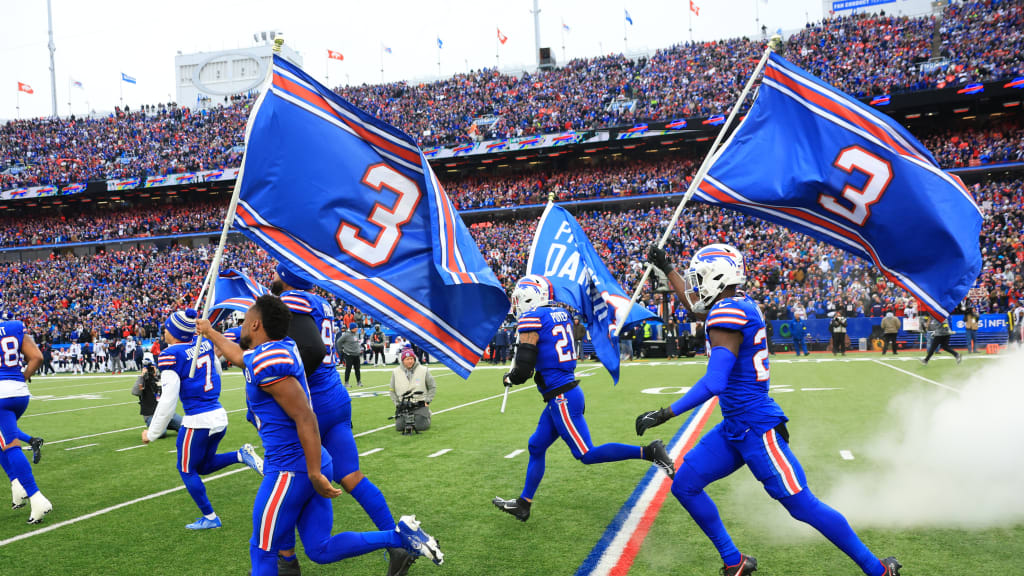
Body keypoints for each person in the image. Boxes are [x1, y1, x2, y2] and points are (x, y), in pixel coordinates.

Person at [640, 243, 902, 576]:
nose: (696, 284)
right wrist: (668, 268)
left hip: (756, 427)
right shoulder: (738, 304)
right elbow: (695, 308)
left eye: (700, 277)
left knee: (802, 505)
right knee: (685, 484)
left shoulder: (726, 313)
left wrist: (664, 413)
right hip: (736, 426)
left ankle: (878, 569)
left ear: (718, 277)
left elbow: (715, 382)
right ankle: (734, 562)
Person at [196, 295, 444, 576]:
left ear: (255, 324)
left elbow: (305, 417)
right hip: (307, 462)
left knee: (262, 549)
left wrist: (313, 472)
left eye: (243, 322)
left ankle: (398, 538)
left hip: (291, 468)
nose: (239, 327)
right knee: (320, 549)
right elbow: (239, 355)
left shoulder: (268, 361)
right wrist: (210, 331)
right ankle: (401, 538)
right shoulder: (276, 348)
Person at [492, 275, 675, 522]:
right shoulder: (559, 313)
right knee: (536, 446)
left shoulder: (532, 318)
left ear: (529, 297)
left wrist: (510, 378)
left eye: (517, 299)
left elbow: (524, 370)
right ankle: (524, 503)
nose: (516, 305)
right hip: (562, 393)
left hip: (562, 398)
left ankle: (649, 452)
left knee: (586, 454)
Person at [271, 264, 414, 575]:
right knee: (351, 476)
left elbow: (310, 349)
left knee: (288, 477)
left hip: (314, 403)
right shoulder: (319, 302)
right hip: (336, 395)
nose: (274, 276)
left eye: (277, 272)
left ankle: (286, 560)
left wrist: (288, 380)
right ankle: (397, 544)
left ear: (287, 279)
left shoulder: (292, 300)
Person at [141, 308, 264, 530]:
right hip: (218, 415)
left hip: (198, 420)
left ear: (173, 331)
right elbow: (217, 370)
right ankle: (240, 455)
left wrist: (152, 433)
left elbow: (168, 401)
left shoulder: (171, 354)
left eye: (167, 328)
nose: (164, 332)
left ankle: (210, 517)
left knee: (186, 469)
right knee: (204, 466)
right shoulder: (203, 344)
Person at [0, 307, 52, 523]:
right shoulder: (14, 327)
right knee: (3, 439)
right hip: (19, 394)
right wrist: (23, 377)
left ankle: (35, 497)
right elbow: (37, 357)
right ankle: (17, 486)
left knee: (10, 445)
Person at [131, 353, 182, 437]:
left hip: (166, 412)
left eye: (152, 367)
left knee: (184, 426)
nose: (151, 370)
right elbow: (135, 392)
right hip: (151, 415)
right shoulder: (143, 380)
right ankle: (155, 429)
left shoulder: (162, 377)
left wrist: (157, 376)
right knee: (161, 434)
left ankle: (164, 425)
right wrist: (142, 377)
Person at [389, 348, 436, 432]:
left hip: (420, 403)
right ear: (403, 360)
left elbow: (432, 387)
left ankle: (427, 414)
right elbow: (392, 390)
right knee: (400, 427)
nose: (410, 361)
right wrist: (397, 403)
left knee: (421, 427)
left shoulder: (424, 370)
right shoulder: (395, 372)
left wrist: (427, 401)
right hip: (404, 404)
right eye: (407, 359)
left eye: (411, 359)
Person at [335, 322, 363, 387]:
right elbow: (339, 341)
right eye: (356, 327)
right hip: (349, 354)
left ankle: (359, 382)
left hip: (356, 354)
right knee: (348, 369)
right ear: (352, 328)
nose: (357, 328)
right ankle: (346, 382)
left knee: (357, 369)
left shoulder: (356, 334)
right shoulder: (346, 335)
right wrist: (340, 349)